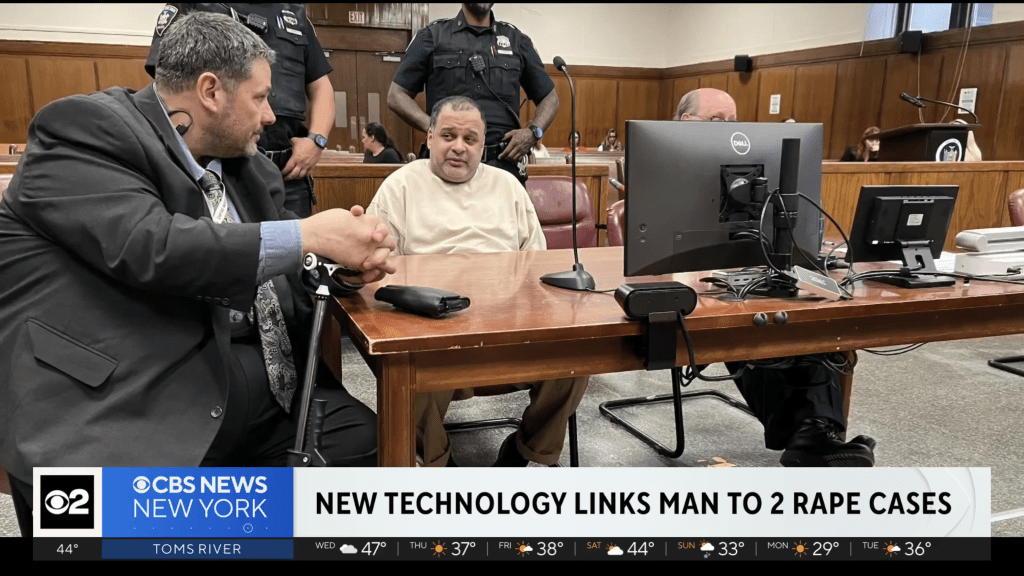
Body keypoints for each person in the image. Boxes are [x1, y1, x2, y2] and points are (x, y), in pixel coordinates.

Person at [0, 12, 397, 537]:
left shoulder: (249, 168)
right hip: (132, 388)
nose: (273, 116)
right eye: (260, 98)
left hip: (259, 382)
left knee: (367, 446)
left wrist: (342, 266)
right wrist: (309, 236)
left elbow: (278, 271)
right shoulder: (83, 130)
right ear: (211, 91)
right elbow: (154, 246)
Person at [367, 96, 588, 468]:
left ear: (483, 147)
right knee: (405, 374)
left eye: (470, 139)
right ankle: (441, 467)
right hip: (434, 329)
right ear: (431, 136)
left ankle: (525, 453)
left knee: (577, 358)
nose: (458, 146)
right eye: (449, 135)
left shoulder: (507, 186)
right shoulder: (400, 186)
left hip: (509, 321)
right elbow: (381, 269)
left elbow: (539, 266)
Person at [676, 88, 876, 467]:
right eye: (718, 121)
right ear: (688, 123)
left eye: (733, 122)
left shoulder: (750, 164)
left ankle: (817, 430)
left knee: (813, 309)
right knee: (752, 321)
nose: (729, 130)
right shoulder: (666, 164)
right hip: (692, 284)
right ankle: (811, 433)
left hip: (746, 271)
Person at [145, 3, 335, 218]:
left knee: (300, 245)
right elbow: (169, 83)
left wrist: (316, 140)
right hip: (222, 166)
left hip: (289, 168)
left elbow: (321, 85)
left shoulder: (294, 13)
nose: (269, 116)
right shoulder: (192, 5)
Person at [387, 3, 559, 186]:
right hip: (448, 165)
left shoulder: (517, 40)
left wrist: (533, 132)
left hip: (502, 166)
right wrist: (433, 127)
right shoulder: (431, 36)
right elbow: (396, 95)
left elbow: (550, 98)